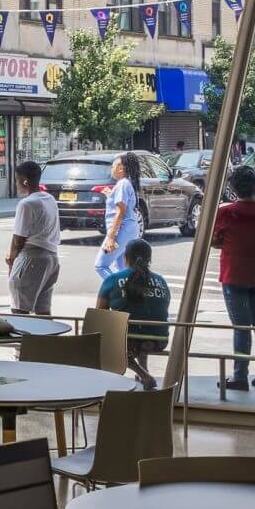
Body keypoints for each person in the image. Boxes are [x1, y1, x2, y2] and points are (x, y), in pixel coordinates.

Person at [210, 165, 255, 391]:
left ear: (233, 189)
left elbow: (214, 240)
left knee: (241, 327)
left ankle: (240, 375)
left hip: (234, 273)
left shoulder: (226, 212)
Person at [96, 240, 170, 390]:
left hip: (129, 340)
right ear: (149, 260)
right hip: (160, 340)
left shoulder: (113, 279)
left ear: (125, 258)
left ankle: (144, 375)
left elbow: (100, 313)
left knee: (116, 336)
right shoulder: (161, 281)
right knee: (141, 328)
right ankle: (144, 368)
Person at [5, 161, 60, 314]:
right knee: (43, 310)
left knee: (20, 309)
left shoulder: (26, 204)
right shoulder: (49, 199)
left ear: (25, 181)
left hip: (31, 258)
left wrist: (12, 262)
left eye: (16, 180)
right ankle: (45, 338)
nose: (16, 184)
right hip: (51, 258)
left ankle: (24, 338)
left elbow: (18, 239)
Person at [94, 152, 143, 282]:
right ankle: (129, 295)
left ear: (121, 168)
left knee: (101, 265)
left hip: (122, 230)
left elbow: (121, 211)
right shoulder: (127, 183)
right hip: (129, 229)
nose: (112, 168)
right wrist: (111, 195)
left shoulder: (122, 183)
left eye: (113, 165)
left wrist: (111, 237)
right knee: (122, 268)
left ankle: (120, 290)